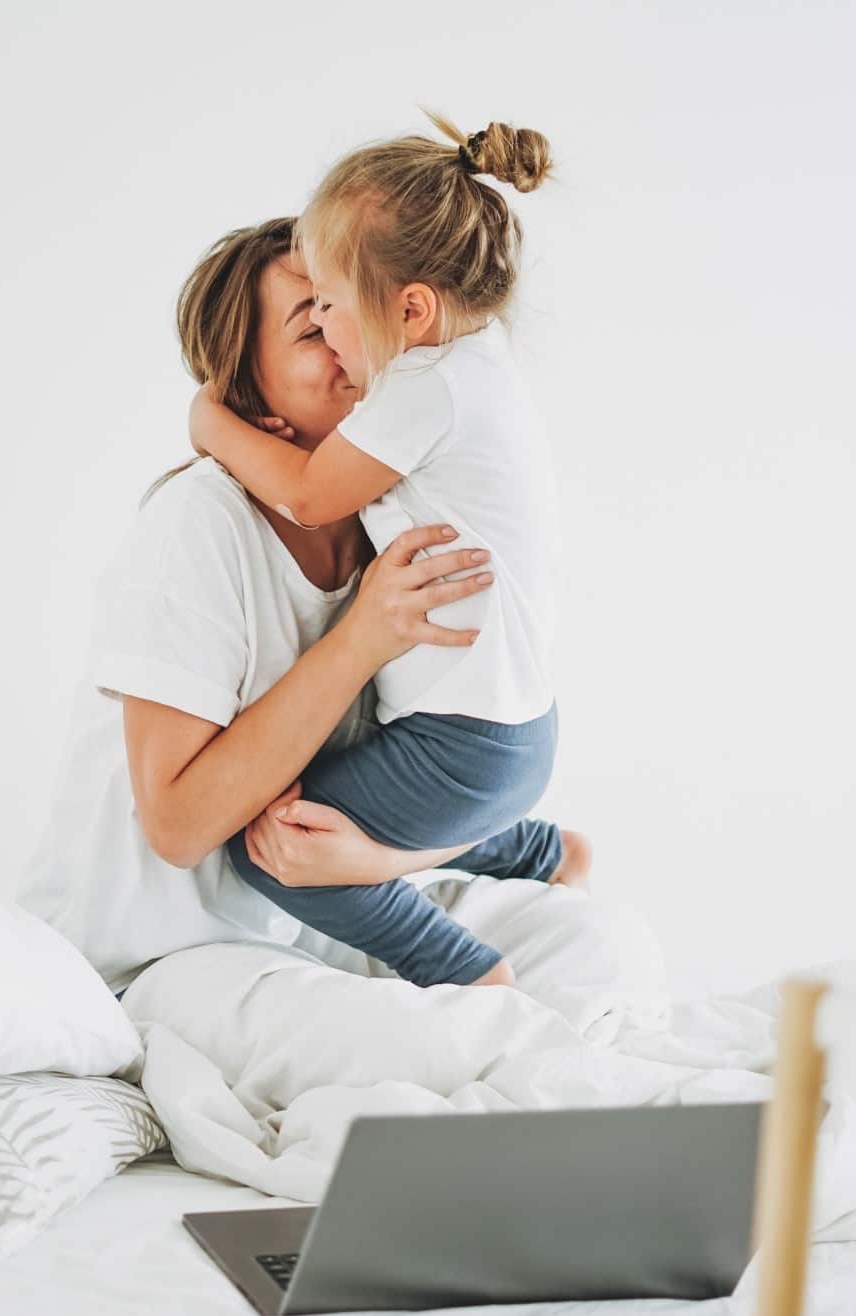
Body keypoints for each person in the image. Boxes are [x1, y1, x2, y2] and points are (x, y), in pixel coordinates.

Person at [20, 217, 588, 996]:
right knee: (448, 1049)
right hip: (147, 964)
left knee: (597, 949)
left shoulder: (387, 507)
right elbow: (180, 828)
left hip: (297, 932)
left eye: (343, 304)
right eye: (309, 322)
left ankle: (528, 862)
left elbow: (383, 801)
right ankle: (480, 962)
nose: (344, 332)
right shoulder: (198, 524)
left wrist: (382, 862)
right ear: (248, 391)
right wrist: (360, 639)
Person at [186, 118, 566, 987]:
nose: (321, 323)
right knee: (321, 773)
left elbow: (313, 492)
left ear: (409, 311)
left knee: (272, 841)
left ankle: (466, 972)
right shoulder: (479, 360)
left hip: (461, 746)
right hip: (515, 738)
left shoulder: (422, 388)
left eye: (326, 305)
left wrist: (212, 423)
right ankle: (541, 856)